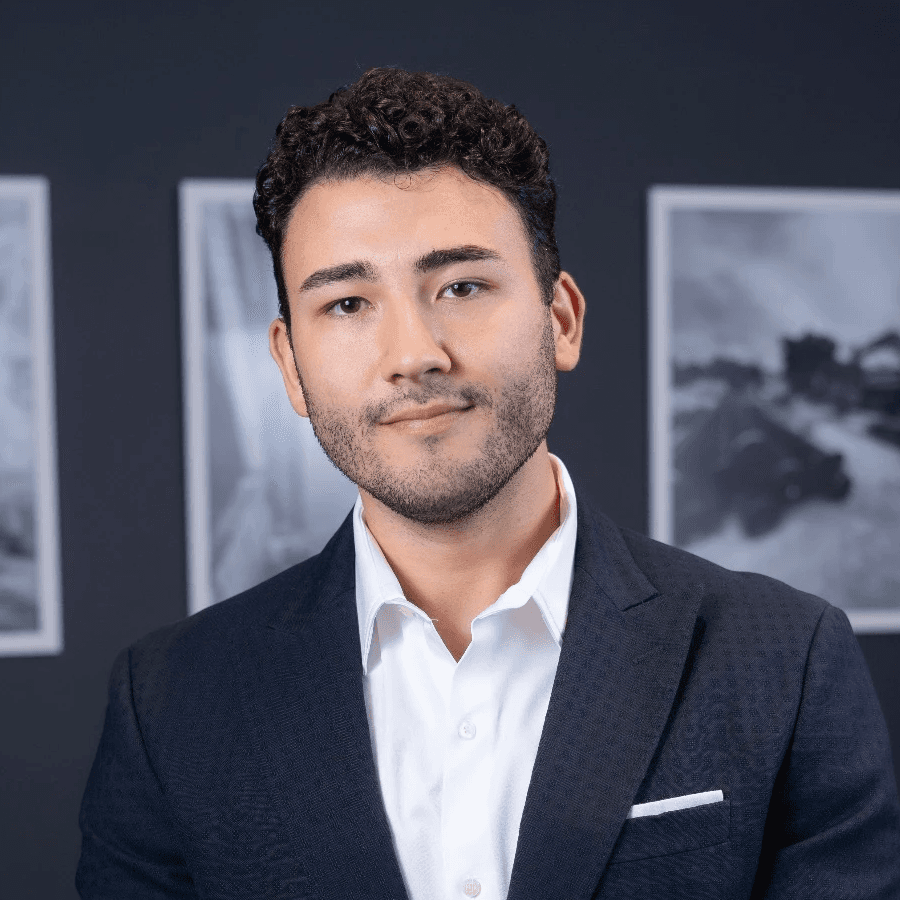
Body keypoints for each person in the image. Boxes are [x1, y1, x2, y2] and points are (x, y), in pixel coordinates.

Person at [77, 67, 900, 899]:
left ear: (561, 319)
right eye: (349, 304)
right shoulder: (170, 703)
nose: (415, 353)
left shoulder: (784, 660)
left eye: (462, 286)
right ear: (291, 366)